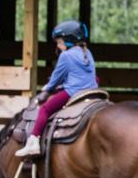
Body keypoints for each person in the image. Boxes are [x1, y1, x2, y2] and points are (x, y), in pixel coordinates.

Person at [17, 19, 98, 159]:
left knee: (45, 109)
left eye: (59, 42)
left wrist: (47, 89)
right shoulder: (87, 52)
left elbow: (55, 78)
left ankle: (33, 142)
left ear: (68, 41)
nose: (58, 45)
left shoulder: (66, 56)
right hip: (91, 91)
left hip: (74, 92)